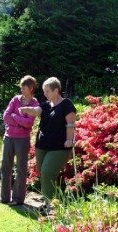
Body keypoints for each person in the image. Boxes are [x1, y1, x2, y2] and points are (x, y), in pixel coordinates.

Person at [20, 77, 76, 209]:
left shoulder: (66, 104)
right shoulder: (46, 105)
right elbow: (36, 111)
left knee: (47, 172)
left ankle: (50, 205)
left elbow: (71, 124)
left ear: (56, 90)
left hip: (59, 147)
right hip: (42, 146)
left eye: (47, 91)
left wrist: (69, 140)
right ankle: (51, 202)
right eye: (44, 91)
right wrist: (27, 109)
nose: (45, 94)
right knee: (44, 174)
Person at [0, 75, 39, 205]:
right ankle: (4, 198)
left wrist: (15, 117)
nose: (21, 89)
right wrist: (19, 121)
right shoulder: (15, 99)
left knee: (21, 169)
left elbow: (29, 123)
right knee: (5, 168)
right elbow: (6, 116)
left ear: (31, 88)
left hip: (22, 140)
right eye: (21, 87)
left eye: (24, 87)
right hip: (9, 137)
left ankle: (17, 199)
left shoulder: (34, 104)